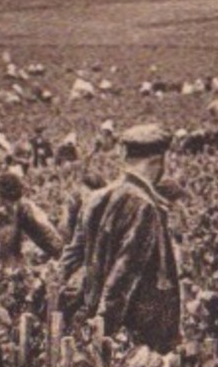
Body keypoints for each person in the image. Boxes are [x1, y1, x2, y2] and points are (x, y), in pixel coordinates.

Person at [71, 124, 181, 352]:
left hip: (96, 314)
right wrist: (104, 331)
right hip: (136, 335)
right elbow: (123, 274)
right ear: (157, 161)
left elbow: (72, 258)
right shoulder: (145, 206)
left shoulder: (96, 197)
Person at [0, 168, 65, 277]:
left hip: (12, 266)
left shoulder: (21, 208)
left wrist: (61, 253)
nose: (10, 207)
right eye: (5, 202)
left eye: (13, 203)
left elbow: (42, 234)